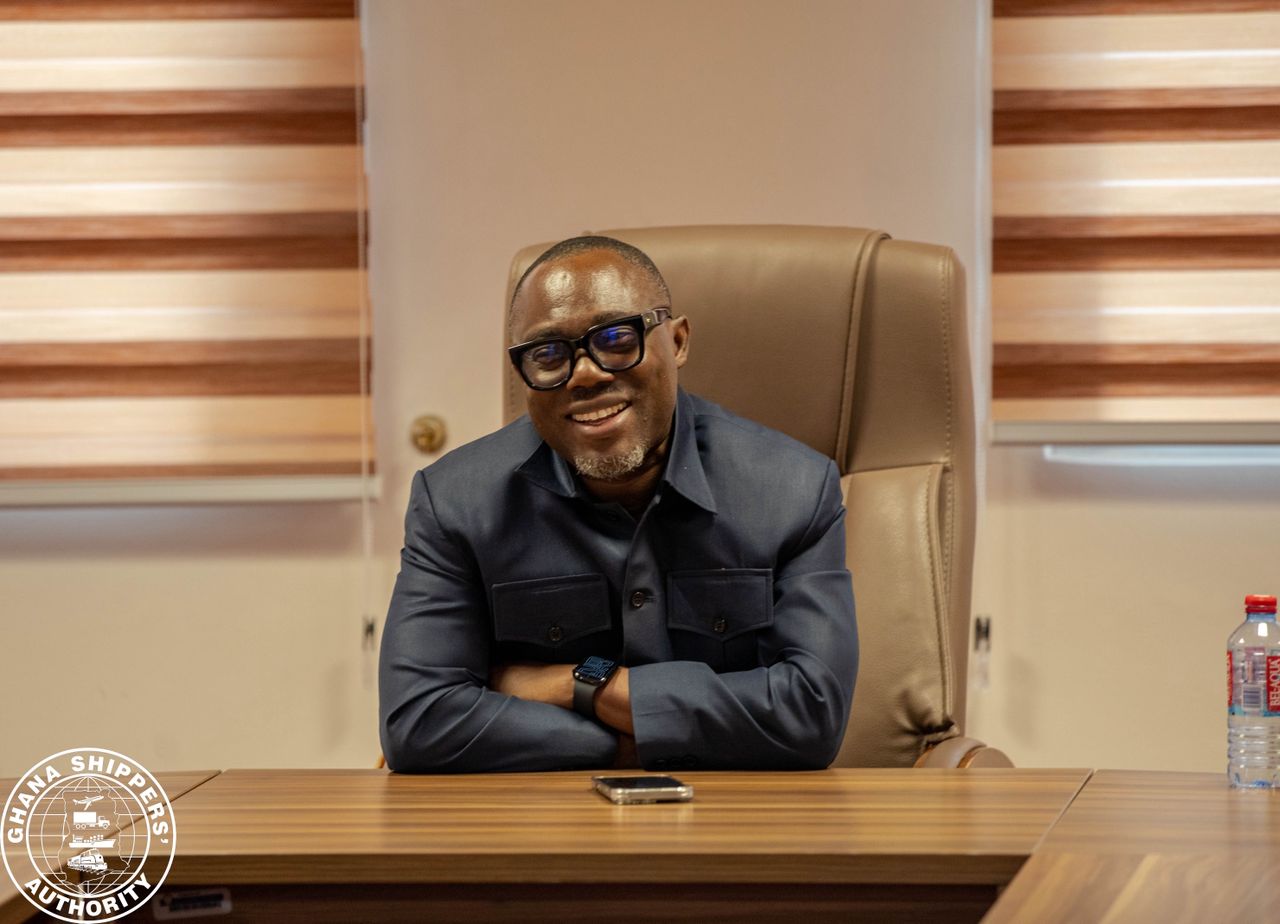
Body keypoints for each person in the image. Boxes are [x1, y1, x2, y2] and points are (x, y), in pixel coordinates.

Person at [379, 235, 857, 772]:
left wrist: (578, 685)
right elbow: (419, 721)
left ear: (677, 341)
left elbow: (811, 715)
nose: (585, 373)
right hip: (543, 816)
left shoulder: (794, 489)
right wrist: (633, 746)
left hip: (743, 815)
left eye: (616, 337)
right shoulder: (455, 502)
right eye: (547, 353)